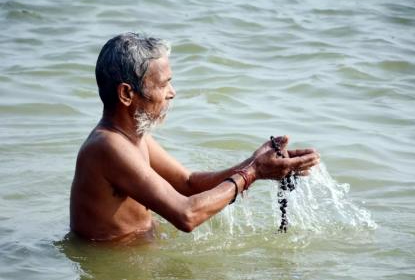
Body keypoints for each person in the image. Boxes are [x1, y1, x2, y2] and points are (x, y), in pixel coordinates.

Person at [70, 32, 320, 242]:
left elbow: (188, 183)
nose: (172, 93)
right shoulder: (107, 146)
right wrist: (253, 172)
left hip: (138, 263)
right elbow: (186, 215)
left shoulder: (134, 137)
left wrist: (258, 162)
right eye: (163, 84)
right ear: (126, 94)